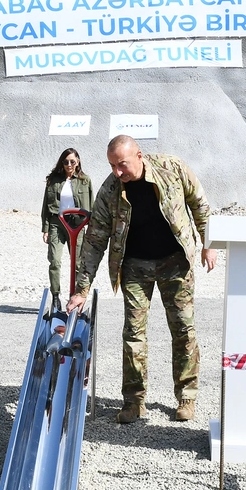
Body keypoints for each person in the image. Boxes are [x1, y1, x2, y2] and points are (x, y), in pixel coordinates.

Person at [67, 135, 216, 424]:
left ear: (139, 155)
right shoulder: (111, 190)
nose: (117, 172)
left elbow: (199, 203)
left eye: (122, 164)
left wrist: (209, 242)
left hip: (176, 263)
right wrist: (81, 289)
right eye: (112, 166)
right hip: (134, 267)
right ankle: (134, 401)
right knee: (133, 334)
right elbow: (95, 238)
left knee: (184, 329)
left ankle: (187, 396)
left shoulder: (171, 168)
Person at [41, 147, 93, 312]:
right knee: (54, 261)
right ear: (61, 163)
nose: (69, 164)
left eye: (72, 161)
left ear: (78, 161)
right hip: (57, 222)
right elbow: (45, 206)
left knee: (78, 263)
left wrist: (91, 226)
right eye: (65, 162)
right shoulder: (53, 180)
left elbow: (91, 205)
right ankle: (56, 295)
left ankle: (75, 296)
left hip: (76, 223)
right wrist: (46, 228)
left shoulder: (85, 180)